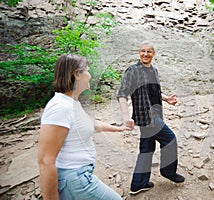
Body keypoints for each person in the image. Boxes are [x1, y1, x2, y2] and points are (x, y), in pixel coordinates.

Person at [38, 54, 129, 200]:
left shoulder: (72, 103)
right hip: (75, 180)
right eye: (87, 70)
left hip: (80, 176)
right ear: (77, 74)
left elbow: (91, 124)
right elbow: (45, 161)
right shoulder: (60, 107)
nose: (90, 76)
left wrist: (119, 128)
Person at [117, 41, 185, 195]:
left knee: (147, 149)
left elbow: (152, 93)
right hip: (147, 117)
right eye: (142, 51)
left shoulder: (153, 71)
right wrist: (125, 116)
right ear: (138, 53)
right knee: (170, 139)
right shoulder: (133, 71)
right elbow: (122, 93)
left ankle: (138, 184)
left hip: (156, 114)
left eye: (149, 51)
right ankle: (168, 171)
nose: (145, 54)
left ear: (153, 54)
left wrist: (166, 99)